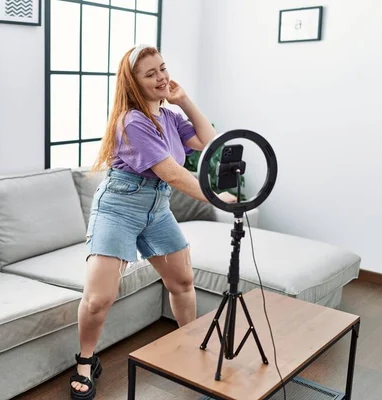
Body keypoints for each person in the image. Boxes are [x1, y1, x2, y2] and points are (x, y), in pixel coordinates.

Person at [69, 44, 237, 399]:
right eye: (151, 74)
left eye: (162, 68)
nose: (161, 77)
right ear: (134, 83)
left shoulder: (170, 116)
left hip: (157, 208)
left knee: (182, 280)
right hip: (119, 207)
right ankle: (85, 360)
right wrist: (216, 197)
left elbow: (210, 142)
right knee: (99, 298)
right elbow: (173, 174)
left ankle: (191, 345)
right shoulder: (132, 122)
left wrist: (185, 100)